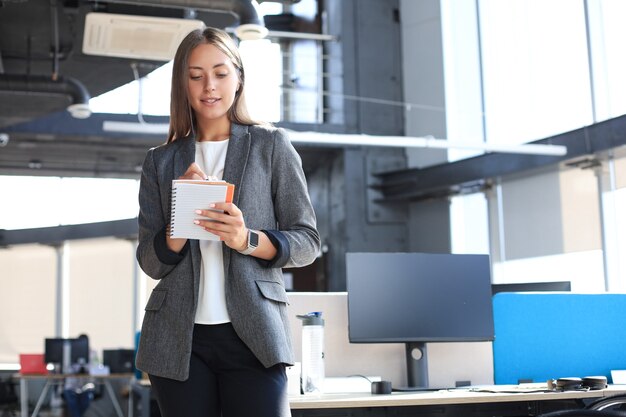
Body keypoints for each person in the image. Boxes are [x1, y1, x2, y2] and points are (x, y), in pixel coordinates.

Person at [134, 27, 320, 417]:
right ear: (182, 84)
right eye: (196, 75)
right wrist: (177, 225)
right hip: (177, 338)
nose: (209, 86)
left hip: (254, 334)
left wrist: (246, 238)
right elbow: (150, 263)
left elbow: (307, 243)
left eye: (220, 73)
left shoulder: (271, 146)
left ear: (238, 78)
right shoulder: (160, 161)